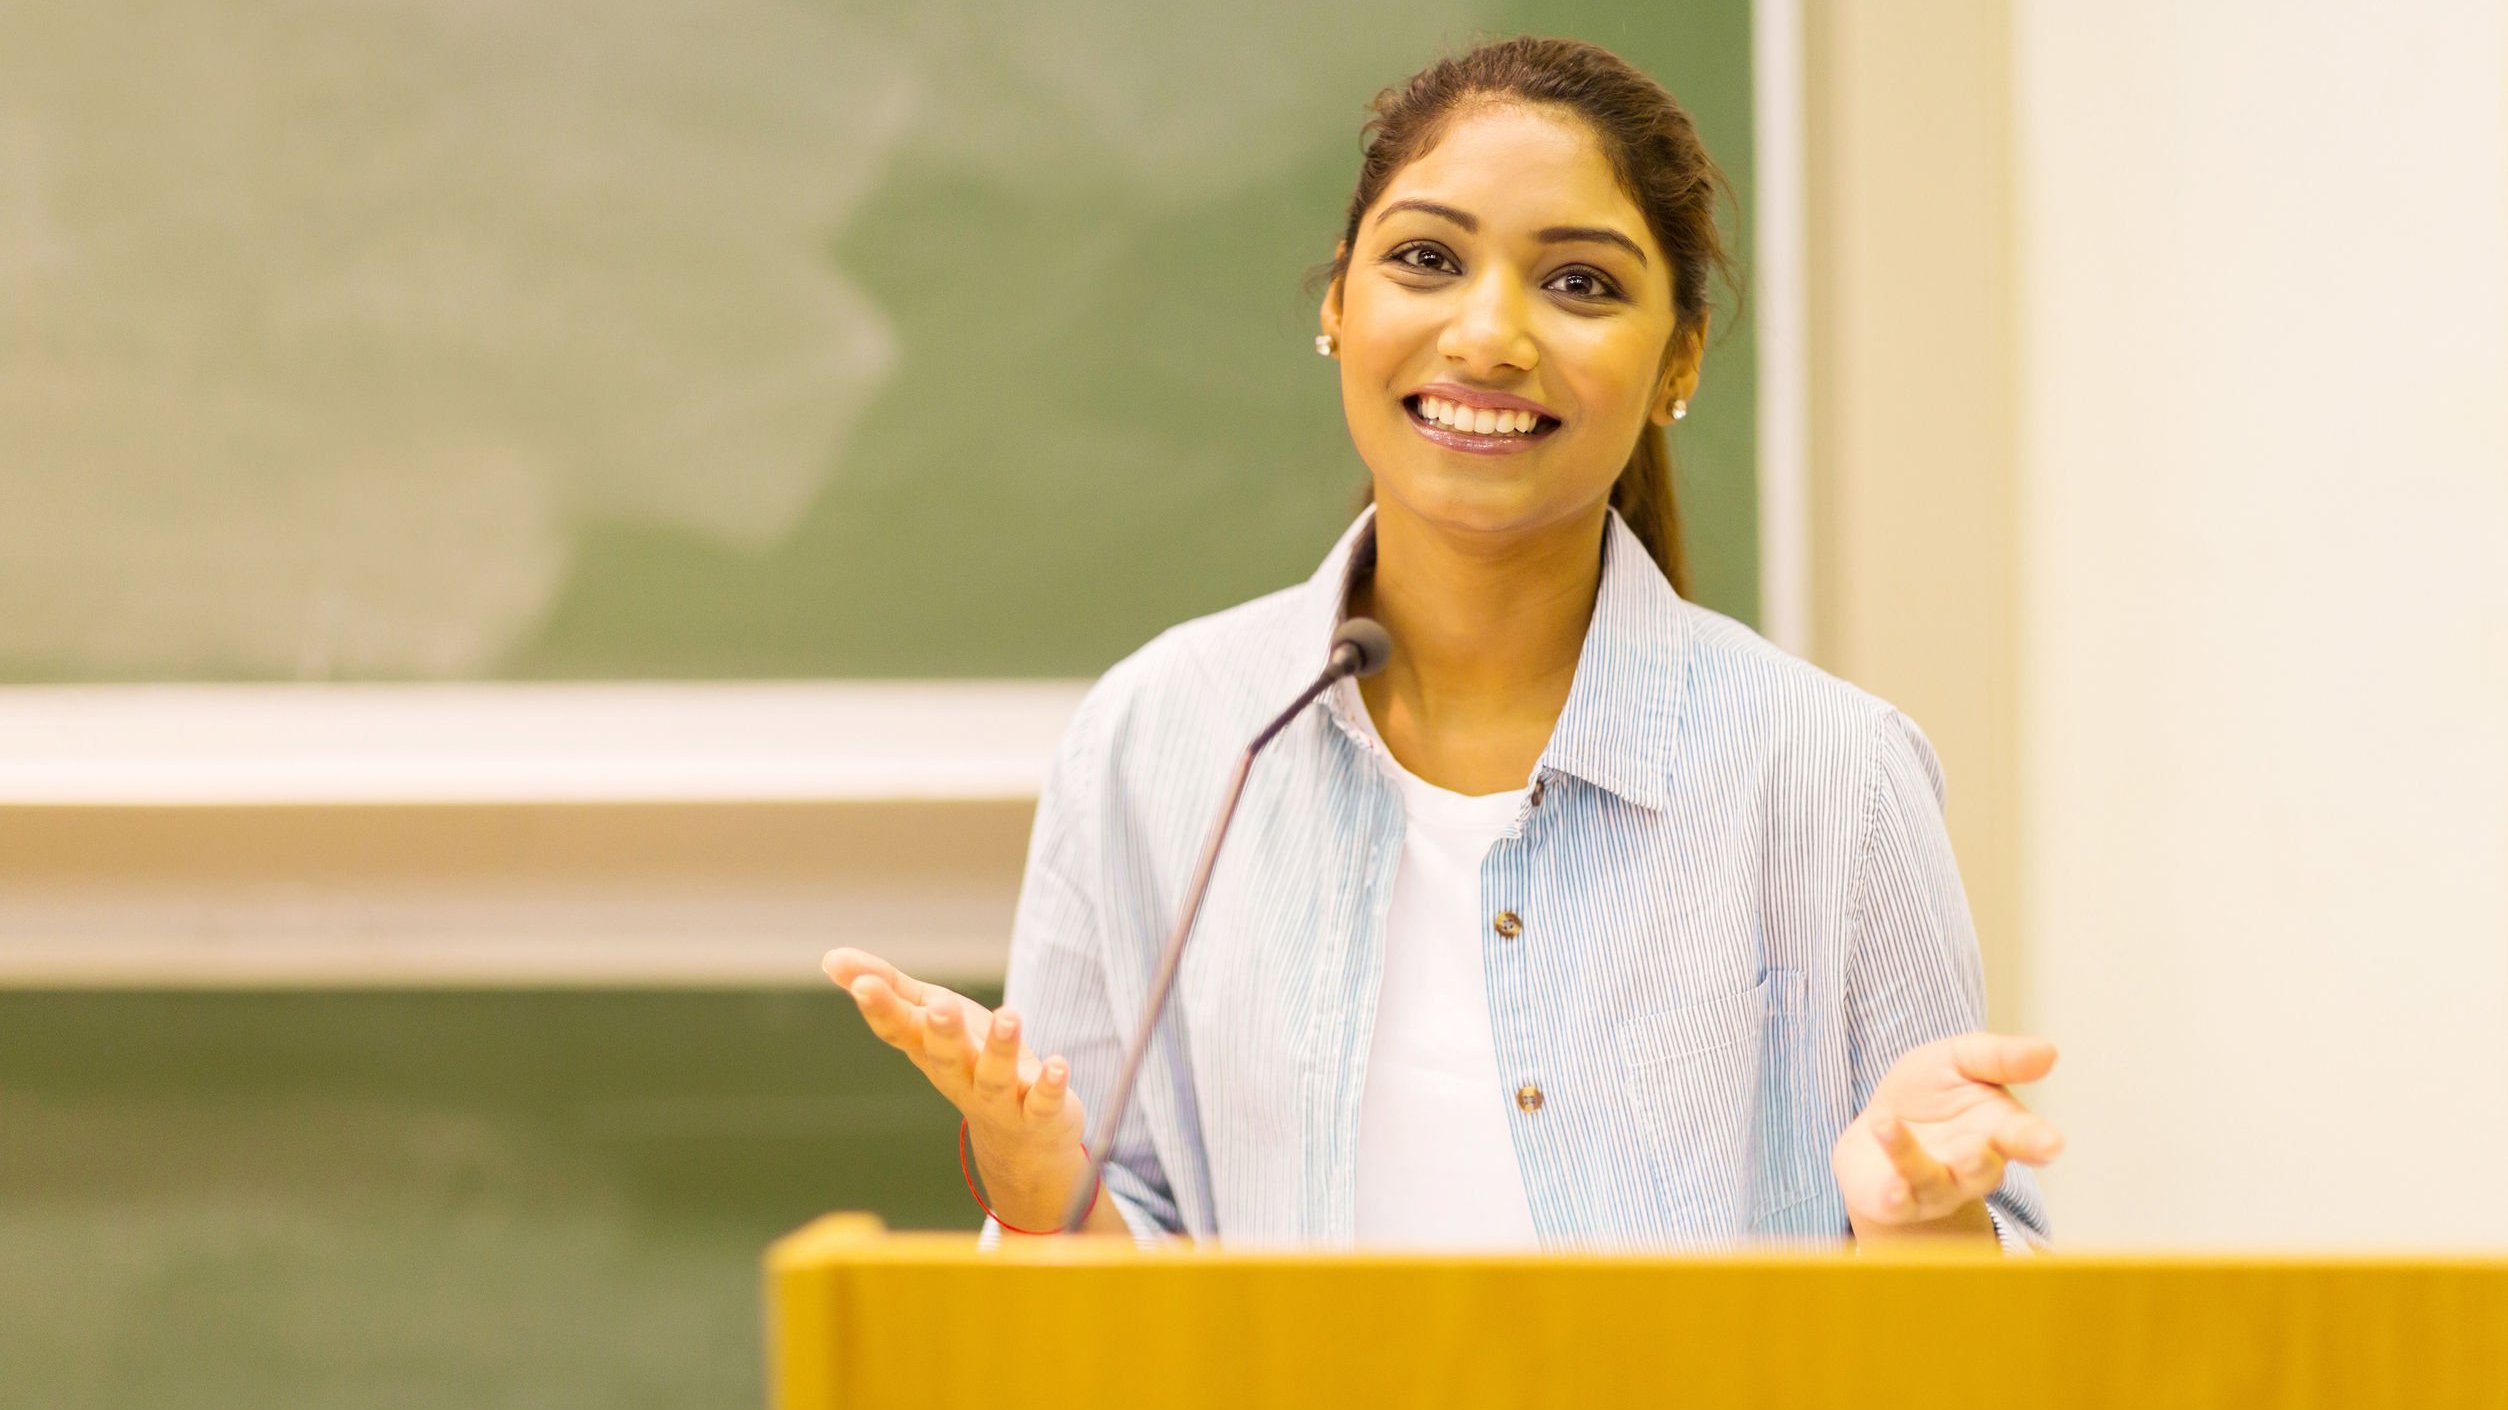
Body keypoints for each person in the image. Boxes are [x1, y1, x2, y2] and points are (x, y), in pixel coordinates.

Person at [825, 35, 2063, 1251]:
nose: (1488, 336)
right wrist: (1049, 1192)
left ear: (1678, 355)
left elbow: (1982, 1326)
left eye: (1580, 282)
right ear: (1337, 302)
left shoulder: (1829, 770)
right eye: (1426, 258)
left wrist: (1927, 1220)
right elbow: (1108, 1304)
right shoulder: (1165, 735)